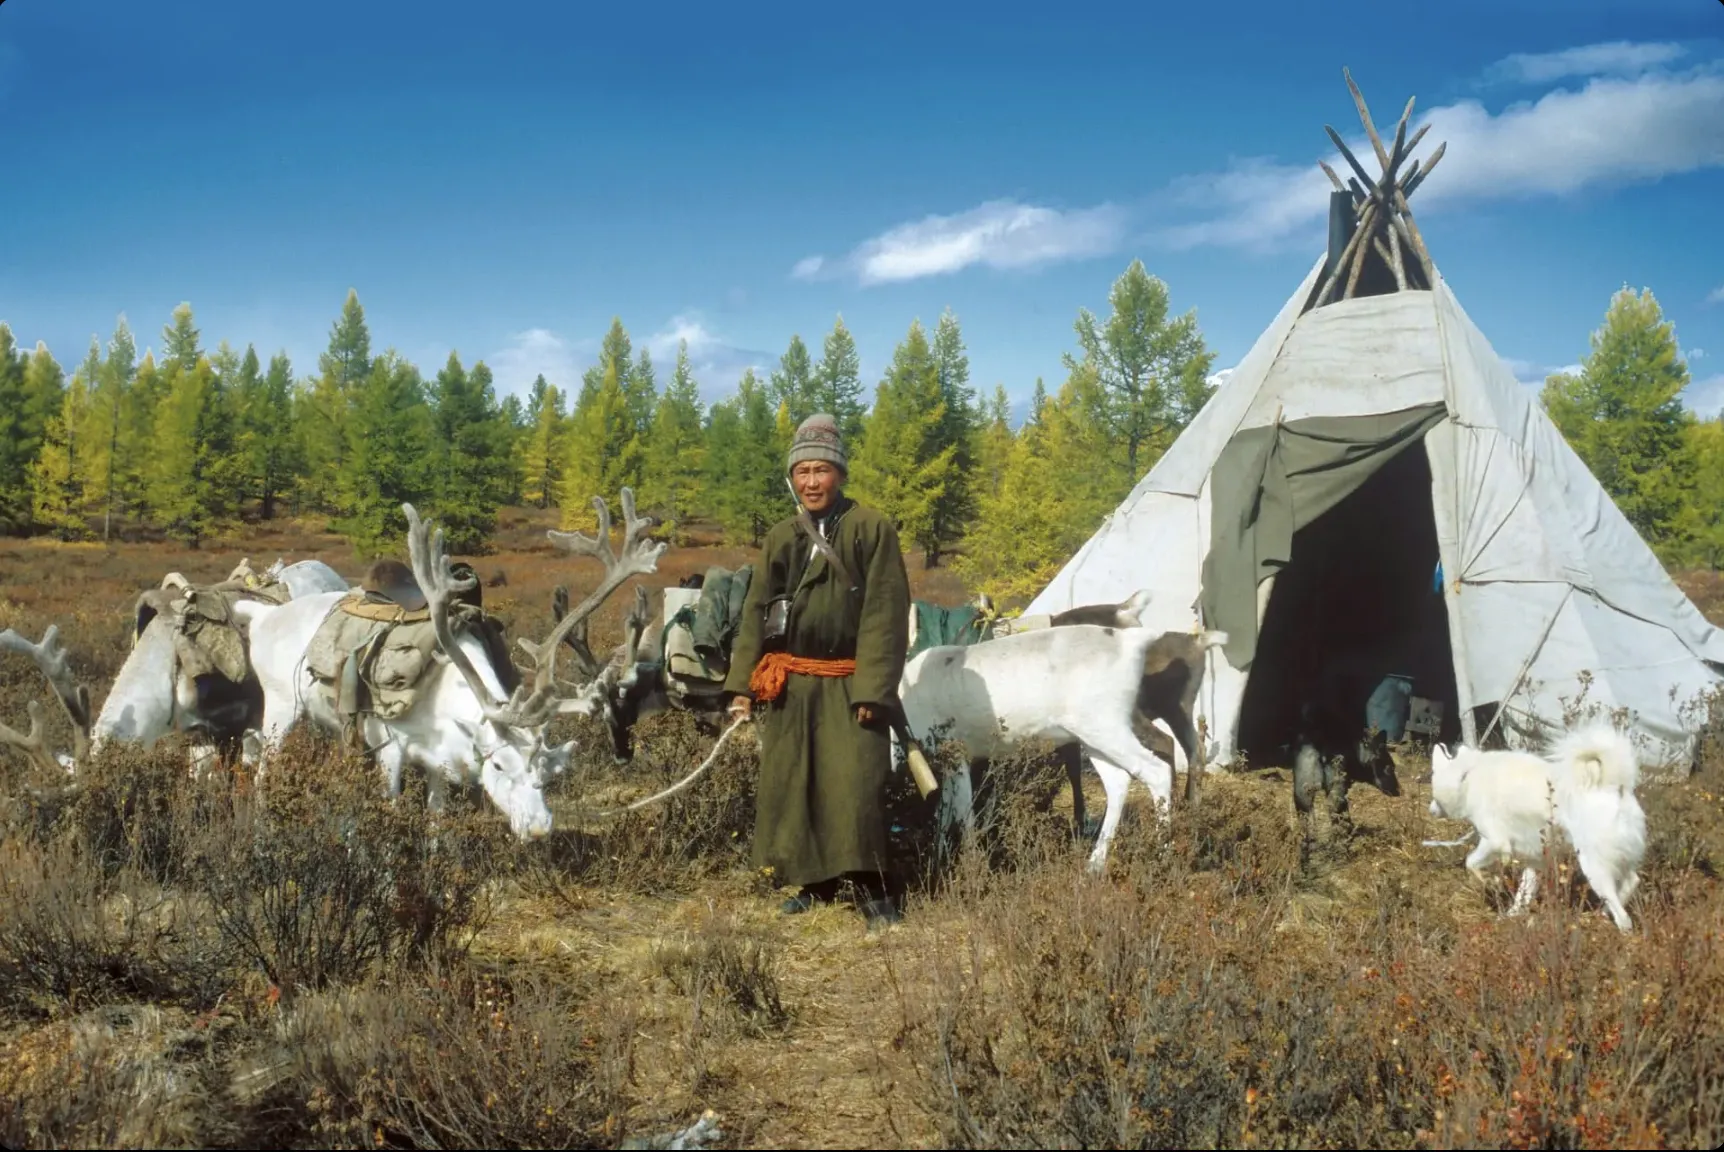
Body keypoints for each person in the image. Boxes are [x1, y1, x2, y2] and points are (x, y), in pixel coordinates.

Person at [724, 413, 912, 930]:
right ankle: (816, 884)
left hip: (852, 682)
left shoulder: (871, 528)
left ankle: (874, 890)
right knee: (798, 785)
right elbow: (755, 611)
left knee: (857, 788)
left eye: (821, 470)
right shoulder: (781, 537)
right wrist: (741, 686)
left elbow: (885, 613)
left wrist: (874, 687)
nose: (811, 482)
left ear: (841, 474)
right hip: (793, 684)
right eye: (802, 471)